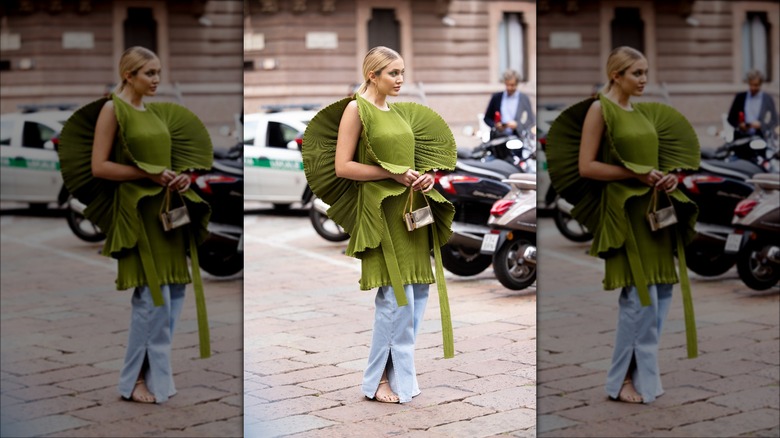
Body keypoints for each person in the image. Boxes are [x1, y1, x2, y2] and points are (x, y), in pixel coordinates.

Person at [58, 46, 213, 404]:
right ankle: (133, 382)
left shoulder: (154, 112)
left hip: (169, 212)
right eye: (149, 73)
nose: (157, 79)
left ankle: (154, 376)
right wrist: (149, 173)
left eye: (158, 72)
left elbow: (164, 162)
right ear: (129, 75)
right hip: (139, 214)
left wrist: (179, 178)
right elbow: (100, 166)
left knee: (173, 297)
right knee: (150, 300)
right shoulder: (114, 109)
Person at [302, 46, 456, 403]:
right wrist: (394, 173)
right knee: (394, 298)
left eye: (402, 72)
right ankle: (377, 382)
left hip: (413, 210)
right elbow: (344, 166)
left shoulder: (398, 111)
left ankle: (399, 375)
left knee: (416, 295)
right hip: (383, 212)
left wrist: (424, 177)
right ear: (372, 74)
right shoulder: (357, 108)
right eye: (393, 73)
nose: (401, 80)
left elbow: (408, 162)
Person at [546, 46, 700, 404]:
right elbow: (587, 166)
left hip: (657, 212)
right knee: (638, 298)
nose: (644, 80)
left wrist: (667, 178)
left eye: (646, 72)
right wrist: (636, 173)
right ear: (616, 75)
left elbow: (652, 162)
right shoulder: (601, 109)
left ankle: (642, 376)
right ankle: (620, 382)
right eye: (637, 73)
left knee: (661, 296)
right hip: (626, 215)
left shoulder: (642, 112)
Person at [727, 69, 778, 140]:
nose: (753, 88)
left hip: (761, 139)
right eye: (751, 85)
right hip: (742, 138)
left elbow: (774, 120)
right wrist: (740, 125)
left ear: (760, 84)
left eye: (756, 85)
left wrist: (761, 125)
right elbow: (730, 118)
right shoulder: (740, 97)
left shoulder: (768, 99)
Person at [483, 69, 536, 137]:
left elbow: (530, 120)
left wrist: (517, 125)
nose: (509, 88)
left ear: (517, 84)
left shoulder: (524, 99)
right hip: (499, 138)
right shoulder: (496, 97)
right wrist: (495, 125)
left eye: (512, 85)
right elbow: (487, 118)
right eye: (507, 85)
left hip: (518, 137)